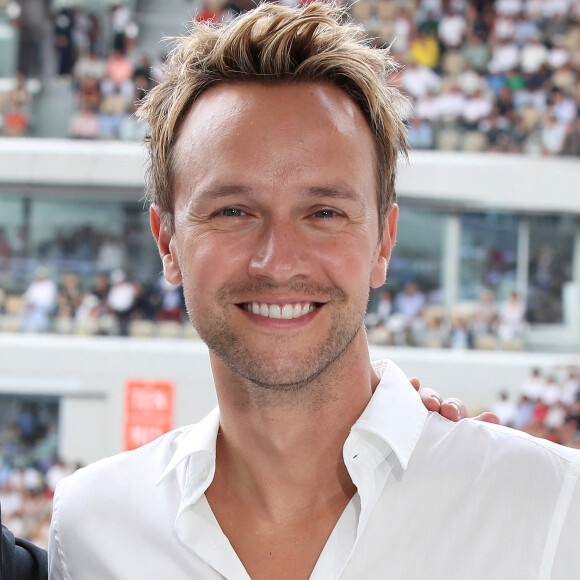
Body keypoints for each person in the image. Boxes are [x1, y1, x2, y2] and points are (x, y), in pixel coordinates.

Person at [49, 4, 580, 579]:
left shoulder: (550, 505)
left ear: (384, 241)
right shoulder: (91, 527)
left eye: (324, 212)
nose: (278, 260)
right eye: (233, 211)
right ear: (167, 242)